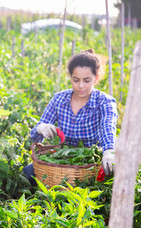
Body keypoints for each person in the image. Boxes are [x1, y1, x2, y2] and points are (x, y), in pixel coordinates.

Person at [23, 49, 117, 185]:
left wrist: (108, 151)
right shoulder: (59, 99)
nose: (80, 86)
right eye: (76, 80)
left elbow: (107, 127)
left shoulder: (104, 101)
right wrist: (40, 128)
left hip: (92, 160)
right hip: (64, 158)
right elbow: (36, 137)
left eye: (87, 80)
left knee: (108, 178)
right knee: (29, 172)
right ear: (70, 77)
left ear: (95, 79)